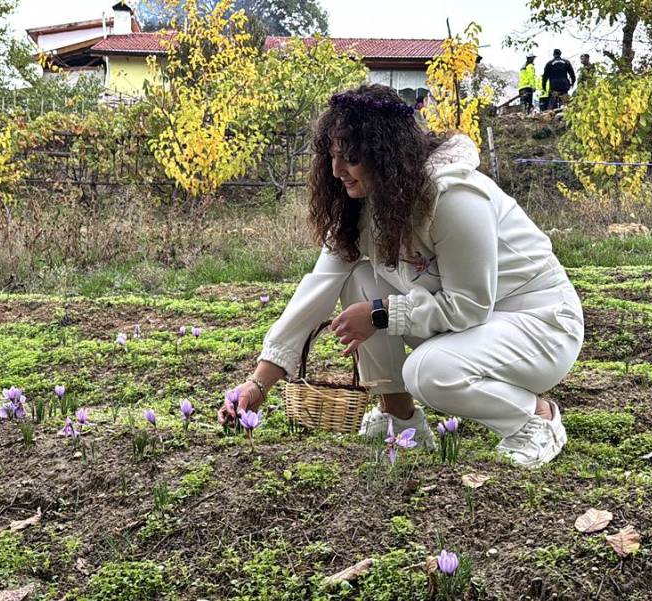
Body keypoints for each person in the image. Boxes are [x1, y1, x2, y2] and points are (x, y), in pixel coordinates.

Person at [218, 84, 585, 468]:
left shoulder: (453, 196)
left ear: (384, 153)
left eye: (350, 158)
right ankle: (399, 415)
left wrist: (380, 314)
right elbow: (317, 290)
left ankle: (535, 419)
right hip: (477, 326)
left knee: (428, 371)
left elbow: (470, 306)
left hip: (539, 324)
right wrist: (259, 382)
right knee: (358, 278)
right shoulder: (365, 204)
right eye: (332, 156)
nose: (336, 171)